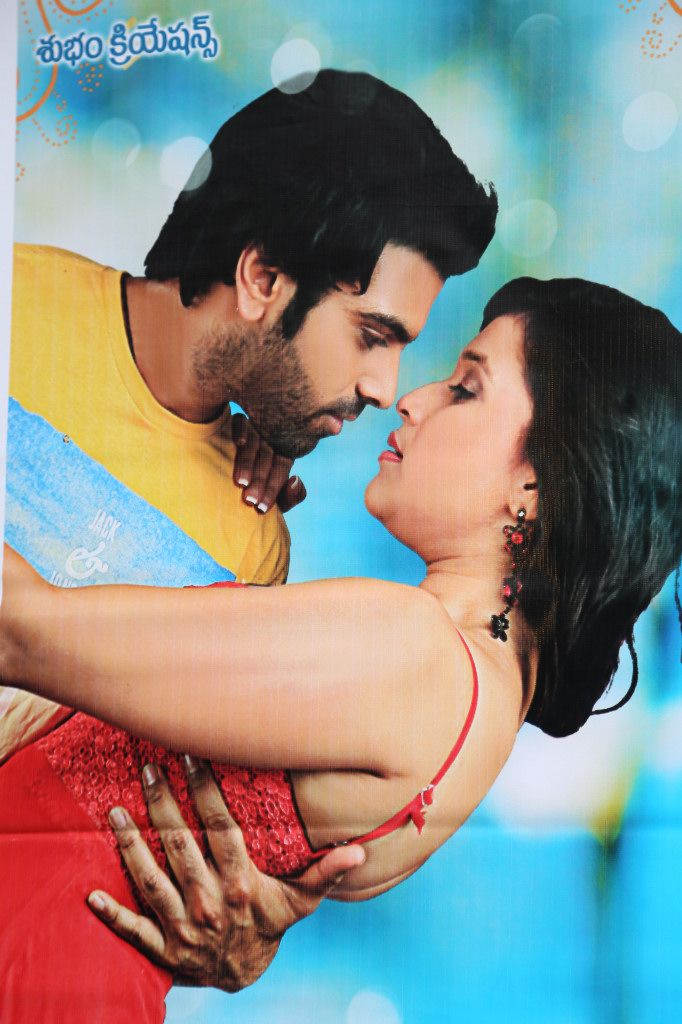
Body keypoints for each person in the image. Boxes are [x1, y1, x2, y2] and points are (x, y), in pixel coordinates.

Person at [2, 278, 680, 1018]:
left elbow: (19, 630)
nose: (411, 399)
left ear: (536, 486)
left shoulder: (413, 652)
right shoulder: (475, 711)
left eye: (465, 388)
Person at [0, 69, 497, 1001]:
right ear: (263, 278)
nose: (386, 387)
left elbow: (114, 851)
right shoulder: (13, 307)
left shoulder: (253, 544)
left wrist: (236, 929)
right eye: (373, 334)